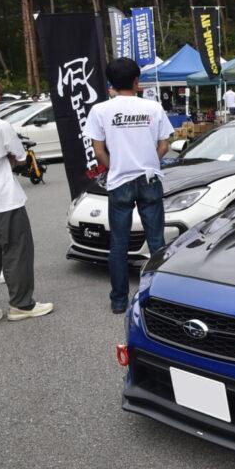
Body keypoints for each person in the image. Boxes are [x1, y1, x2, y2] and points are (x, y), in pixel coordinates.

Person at [85, 57, 174, 313]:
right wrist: (150, 162)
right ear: (136, 81)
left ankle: (119, 300)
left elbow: (98, 151)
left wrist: (116, 167)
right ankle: (158, 298)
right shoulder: (153, 107)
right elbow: (165, 145)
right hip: (149, 179)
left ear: (111, 83)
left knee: (119, 244)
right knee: (156, 242)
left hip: (119, 181)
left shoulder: (100, 110)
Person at [0, 74, 54, 329]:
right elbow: (20, 157)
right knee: (17, 252)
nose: (0, 98)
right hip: (3, 201)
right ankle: (22, 305)